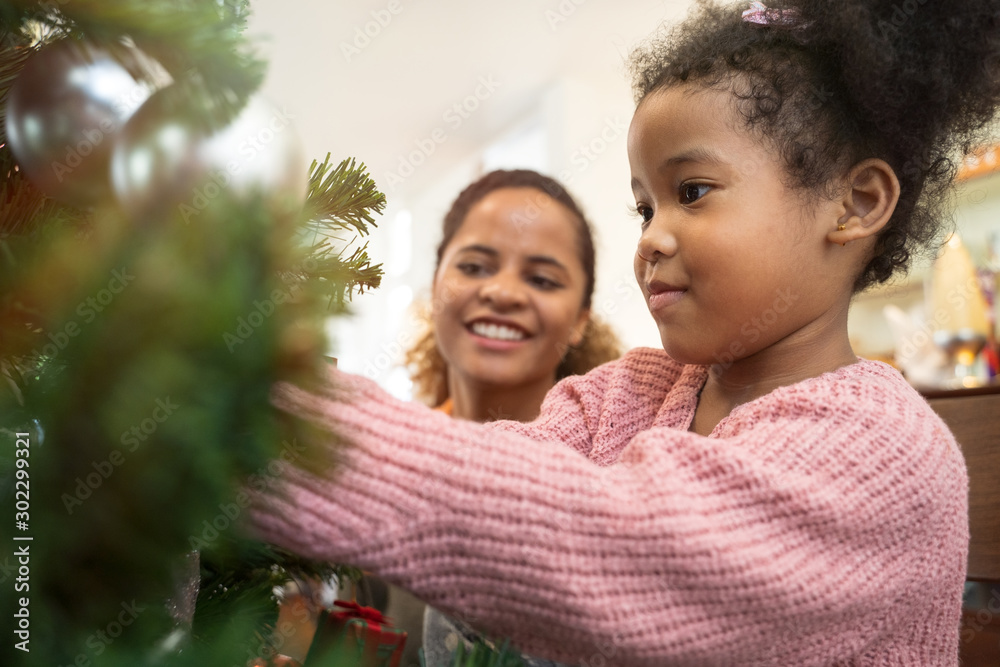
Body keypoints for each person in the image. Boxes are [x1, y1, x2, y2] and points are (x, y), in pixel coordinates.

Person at [250, 1, 1000, 663]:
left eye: (692, 192)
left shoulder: (886, 452)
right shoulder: (621, 393)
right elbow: (499, 472)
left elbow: (628, 547)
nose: (651, 237)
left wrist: (251, 417)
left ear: (855, 203)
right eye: (645, 207)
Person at [398, 169, 622, 666]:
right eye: (475, 267)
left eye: (541, 279)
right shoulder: (389, 468)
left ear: (582, 318)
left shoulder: (614, 481)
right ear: (436, 283)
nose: (502, 292)